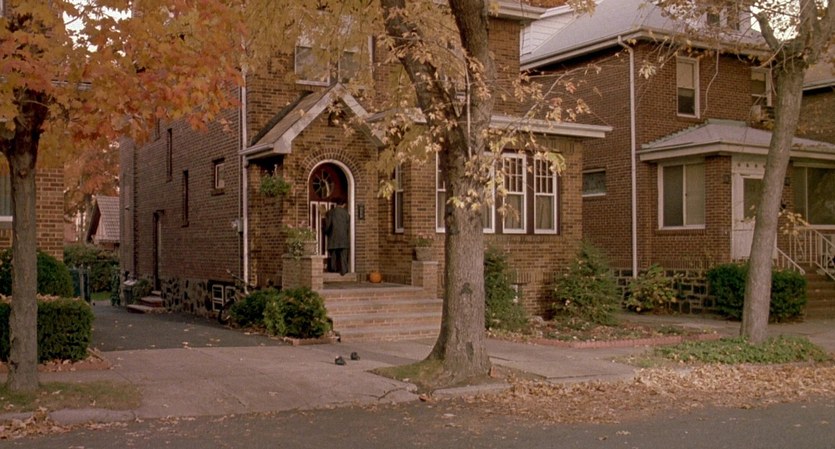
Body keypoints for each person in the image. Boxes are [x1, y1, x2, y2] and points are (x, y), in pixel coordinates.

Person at [324, 201, 350, 275]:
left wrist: (326, 232)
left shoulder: (331, 212)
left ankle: (333, 270)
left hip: (333, 237)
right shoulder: (346, 214)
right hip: (343, 237)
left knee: (333, 255)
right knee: (343, 254)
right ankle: (344, 270)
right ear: (344, 204)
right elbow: (348, 226)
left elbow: (328, 225)